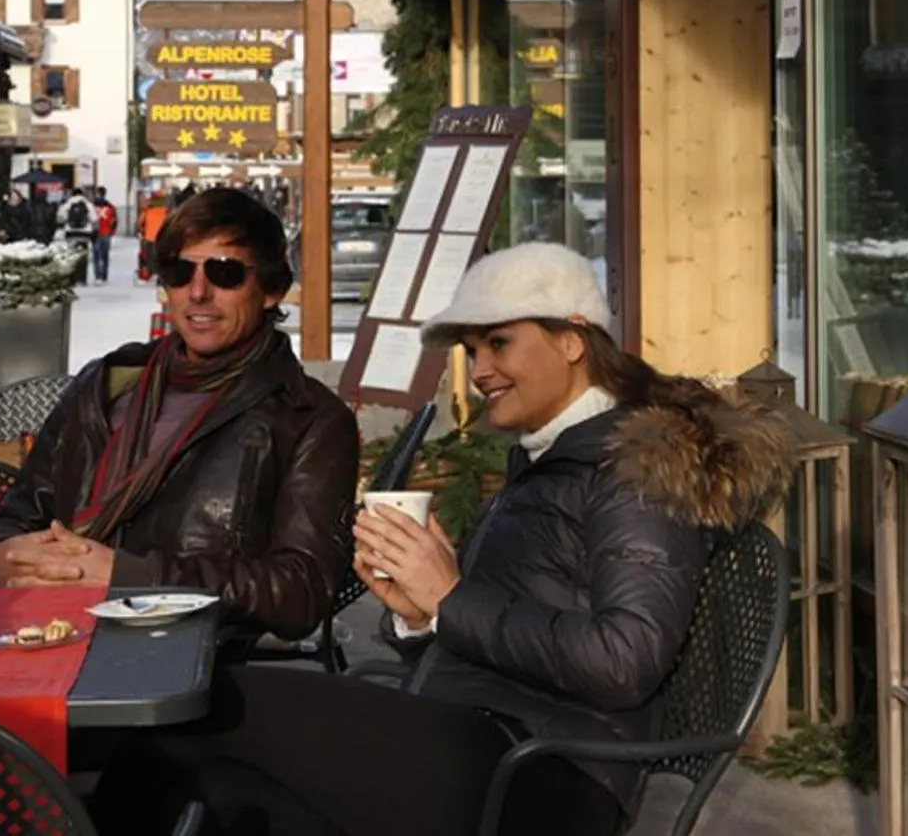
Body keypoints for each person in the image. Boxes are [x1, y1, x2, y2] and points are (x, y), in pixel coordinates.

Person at [87, 243, 794, 836]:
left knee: (203, 703)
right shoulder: (556, 457)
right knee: (210, 782)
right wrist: (420, 613)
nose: (478, 366)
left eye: (497, 341)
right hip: (476, 732)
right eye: (470, 347)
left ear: (573, 339)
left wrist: (452, 600)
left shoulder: (634, 466)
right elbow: (501, 634)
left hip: (547, 773)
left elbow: (623, 660)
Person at [0, 187, 358, 644]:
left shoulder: (309, 419)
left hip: (202, 662)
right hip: (54, 634)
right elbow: (19, 515)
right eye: (178, 272)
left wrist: (131, 576)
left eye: (225, 273)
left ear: (271, 289)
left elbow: (299, 592)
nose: (197, 293)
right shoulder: (107, 384)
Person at [60, 187, 99, 283]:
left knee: (72, 256)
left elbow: (60, 217)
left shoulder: (67, 205)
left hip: (71, 233)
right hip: (84, 234)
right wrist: (94, 230)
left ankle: (72, 278)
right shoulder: (88, 204)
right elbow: (94, 219)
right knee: (83, 256)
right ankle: (82, 279)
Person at [137, 194, 169, 282]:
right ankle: (159, 275)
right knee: (160, 257)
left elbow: (139, 224)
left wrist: (143, 230)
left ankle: (151, 273)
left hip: (149, 239)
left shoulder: (147, 211)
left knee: (150, 258)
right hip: (162, 239)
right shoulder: (167, 212)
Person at [91, 186, 118, 284]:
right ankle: (104, 276)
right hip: (106, 233)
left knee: (96, 256)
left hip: (95, 233)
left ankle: (98, 276)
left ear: (98, 193)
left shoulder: (92, 206)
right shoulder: (110, 207)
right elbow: (114, 221)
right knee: (105, 256)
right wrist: (111, 232)